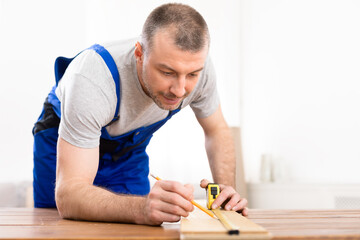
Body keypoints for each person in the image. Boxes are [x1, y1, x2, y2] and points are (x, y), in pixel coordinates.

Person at [32, 3, 248, 225]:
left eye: (192, 74)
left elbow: (216, 130)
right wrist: (141, 208)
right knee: (60, 226)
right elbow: (69, 196)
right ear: (139, 54)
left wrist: (226, 195)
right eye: (167, 72)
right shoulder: (92, 79)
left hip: (128, 148)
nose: (180, 90)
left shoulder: (199, 68)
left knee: (142, 227)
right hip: (64, 138)